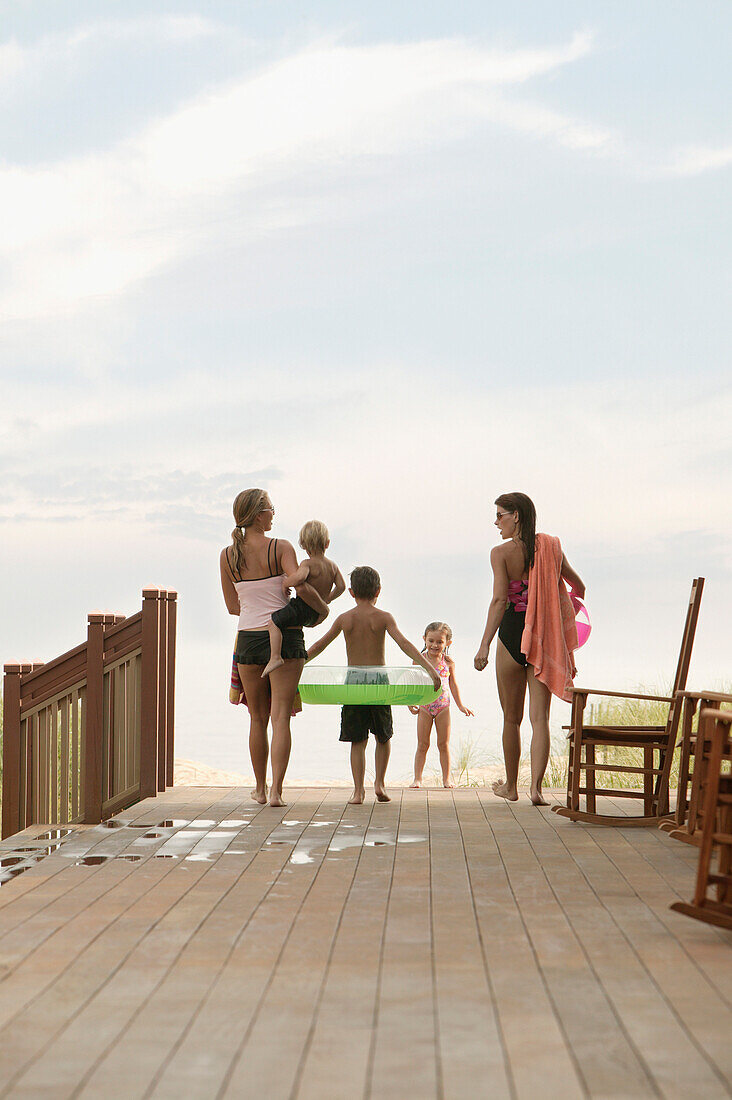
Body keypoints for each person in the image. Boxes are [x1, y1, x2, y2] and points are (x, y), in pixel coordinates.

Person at [474, 492, 585, 806]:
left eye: (500, 516)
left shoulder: (500, 553)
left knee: (512, 719)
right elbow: (580, 588)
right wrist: (562, 617)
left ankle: (511, 787)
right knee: (540, 719)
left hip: (511, 635)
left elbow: (499, 601)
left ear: (516, 516)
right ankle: (536, 790)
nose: (496, 523)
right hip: (544, 639)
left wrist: (483, 645)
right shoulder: (551, 548)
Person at [220, 488, 328, 807]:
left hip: (249, 639)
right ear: (257, 514)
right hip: (287, 634)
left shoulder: (227, 556)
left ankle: (259, 788)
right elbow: (300, 585)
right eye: (269, 508)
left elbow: (231, 606)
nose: (273, 513)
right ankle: (278, 792)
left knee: (257, 718)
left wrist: (255, 607)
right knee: (281, 717)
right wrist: (322, 609)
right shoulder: (280, 547)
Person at [306, 566, 442, 805]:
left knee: (358, 740)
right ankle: (379, 783)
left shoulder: (345, 618)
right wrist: (429, 669)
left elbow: (319, 646)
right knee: (383, 736)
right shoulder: (384, 617)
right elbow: (405, 644)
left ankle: (359, 791)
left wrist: (296, 664)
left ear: (350, 592)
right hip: (379, 682)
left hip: (354, 683)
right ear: (378, 590)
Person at [261, 520, 345, 679]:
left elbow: (299, 578)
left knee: (273, 623)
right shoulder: (332, 566)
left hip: (301, 608)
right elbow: (341, 586)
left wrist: (286, 582)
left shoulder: (307, 563)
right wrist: (327, 599)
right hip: (314, 614)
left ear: (303, 545)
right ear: (327, 544)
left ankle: (275, 657)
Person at [408, 621, 474, 789]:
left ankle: (446, 779)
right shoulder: (419, 660)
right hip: (425, 707)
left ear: (447, 643)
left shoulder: (449, 662)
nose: (434, 645)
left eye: (439, 642)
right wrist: (411, 701)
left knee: (443, 744)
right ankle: (417, 779)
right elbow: (412, 683)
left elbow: (453, 684)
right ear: (424, 639)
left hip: (443, 707)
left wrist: (460, 705)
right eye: (431, 641)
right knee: (423, 744)